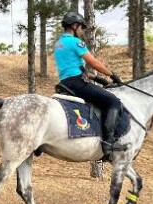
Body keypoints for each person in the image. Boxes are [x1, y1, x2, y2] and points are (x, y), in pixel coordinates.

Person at [53, 11, 127, 160]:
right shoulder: (75, 42)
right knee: (114, 102)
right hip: (77, 83)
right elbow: (93, 62)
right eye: (81, 28)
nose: (81, 31)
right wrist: (111, 75)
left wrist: (99, 79)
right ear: (74, 26)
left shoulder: (59, 44)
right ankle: (108, 142)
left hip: (66, 82)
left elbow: (75, 68)